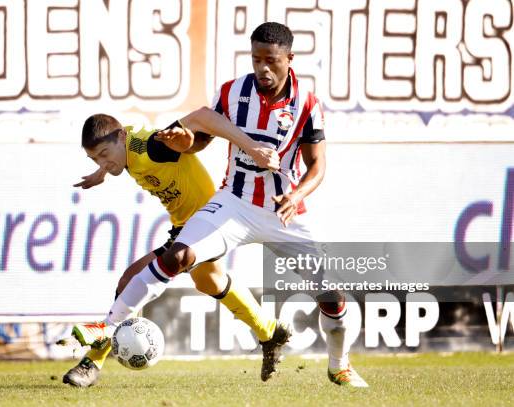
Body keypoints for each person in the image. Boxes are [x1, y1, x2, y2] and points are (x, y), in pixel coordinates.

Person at [84, 22, 368, 387]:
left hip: (284, 212)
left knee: (332, 295)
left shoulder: (308, 105)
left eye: (271, 60)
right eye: (256, 59)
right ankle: (104, 329)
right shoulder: (233, 93)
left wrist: (296, 196)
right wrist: (184, 141)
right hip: (234, 202)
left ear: (290, 59)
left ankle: (338, 364)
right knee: (178, 256)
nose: (262, 68)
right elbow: (200, 140)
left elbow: (318, 166)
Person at [63, 108, 291, 387]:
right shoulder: (125, 145)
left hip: (207, 222)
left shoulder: (153, 147)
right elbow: (118, 151)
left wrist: (251, 147)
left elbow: (204, 117)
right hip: (188, 225)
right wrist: (102, 170)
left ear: (121, 137)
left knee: (129, 281)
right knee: (210, 282)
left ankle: (92, 364)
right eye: (95, 158)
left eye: (104, 155)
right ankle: (270, 332)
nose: (103, 162)